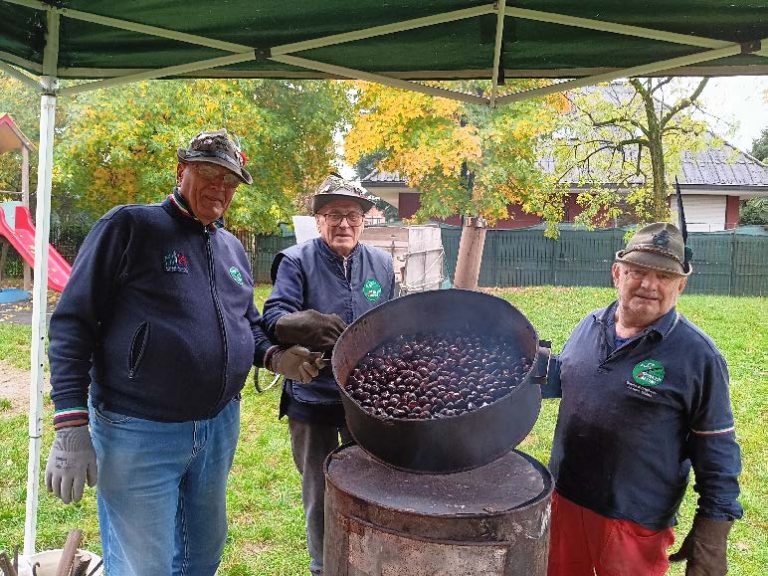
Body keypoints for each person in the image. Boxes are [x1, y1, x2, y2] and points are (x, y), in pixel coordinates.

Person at [45, 129, 321, 576]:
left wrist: (274, 356)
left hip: (217, 430)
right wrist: (70, 424)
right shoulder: (130, 227)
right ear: (180, 171)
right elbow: (72, 322)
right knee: (144, 566)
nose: (220, 187)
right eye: (208, 172)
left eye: (230, 181)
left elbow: (245, 321)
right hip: (140, 431)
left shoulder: (230, 247)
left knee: (201, 556)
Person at [543, 222, 742, 576]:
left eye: (664, 277)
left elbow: (718, 451)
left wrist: (713, 529)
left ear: (680, 286)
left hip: (633, 521)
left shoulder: (698, 356)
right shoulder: (590, 325)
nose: (649, 284)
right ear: (617, 274)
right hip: (566, 500)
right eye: (638, 271)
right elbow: (567, 380)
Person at [261, 173, 396, 576]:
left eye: (353, 216)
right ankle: (324, 566)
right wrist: (300, 325)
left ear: (364, 221)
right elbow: (272, 318)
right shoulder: (295, 261)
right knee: (320, 490)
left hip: (369, 400)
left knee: (371, 481)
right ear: (318, 220)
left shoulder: (382, 264)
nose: (344, 224)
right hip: (312, 396)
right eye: (334, 215)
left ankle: (369, 559)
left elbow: (390, 320)